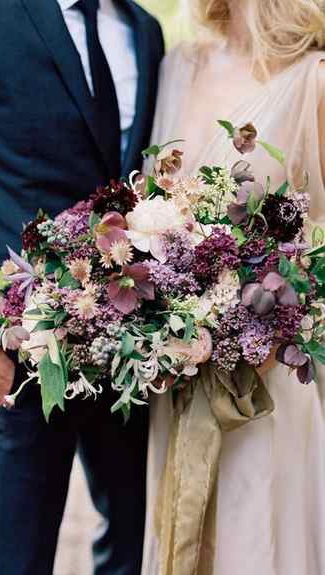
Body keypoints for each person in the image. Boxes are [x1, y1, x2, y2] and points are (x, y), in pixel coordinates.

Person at [0, 0, 164, 573]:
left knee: (136, 548)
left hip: (135, 353)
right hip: (18, 359)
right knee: (15, 561)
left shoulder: (144, 31)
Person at [142, 1, 325, 573]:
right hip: (176, 372)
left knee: (254, 538)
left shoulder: (311, 77)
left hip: (265, 376)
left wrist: (277, 325)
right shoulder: (179, 62)